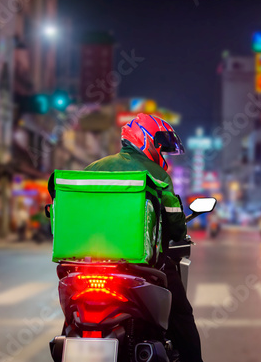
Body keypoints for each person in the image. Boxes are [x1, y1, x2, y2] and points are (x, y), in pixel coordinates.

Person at [84, 113, 203, 362]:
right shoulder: (156, 174)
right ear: (144, 138)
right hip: (142, 264)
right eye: (160, 145)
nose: (162, 153)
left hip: (89, 264)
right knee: (181, 314)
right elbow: (174, 223)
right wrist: (179, 233)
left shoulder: (94, 168)